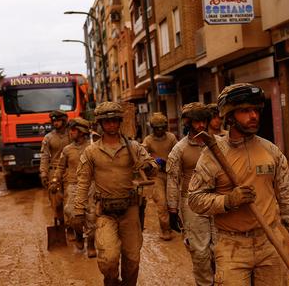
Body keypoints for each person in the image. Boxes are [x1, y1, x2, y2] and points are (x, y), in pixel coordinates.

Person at [188, 83, 289, 285]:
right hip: (231, 247)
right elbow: (194, 200)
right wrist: (228, 200)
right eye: (245, 111)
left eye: (256, 110)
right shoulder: (212, 155)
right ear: (229, 117)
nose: (253, 116)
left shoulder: (271, 152)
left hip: (270, 242)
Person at [73, 102, 157, 286]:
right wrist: (78, 210)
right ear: (100, 124)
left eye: (115, 121)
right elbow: (83, 182)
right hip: (104, 212)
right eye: (107, 122)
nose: (111, 125)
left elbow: (152, 167)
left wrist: (148, 167)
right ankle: (111, 282)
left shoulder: (133, 147)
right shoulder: (91, 151)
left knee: (133, 257)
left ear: (120, 122)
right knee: (108, 259)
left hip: (130, 210)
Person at [167, 102, 214, 286]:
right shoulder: (179, 149)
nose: (201, 125)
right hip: (191, 204)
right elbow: (172, 180)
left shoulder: (217, 143)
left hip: (219, 201)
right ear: (188, 123)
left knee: (220, 249)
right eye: (196, 122)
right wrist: (172, 210)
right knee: (200, 251)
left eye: (203, 120)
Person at [49, 117, 96, 256]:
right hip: (73, 185)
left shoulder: (93, 148)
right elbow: (60, 167)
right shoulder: (67, 150)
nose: (71, 132)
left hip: (90, 185)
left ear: (81, 132)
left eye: (74, 130)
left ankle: (92, 244)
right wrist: (55, 181)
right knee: (71, 213)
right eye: (70, 130)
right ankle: (79, 235)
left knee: (91, 216)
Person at [142, 112, 178, 241]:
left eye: (162, 127)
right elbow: (142, 155)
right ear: (153, 128)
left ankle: (177, 226)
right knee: (162, 203)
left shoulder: (171, 138)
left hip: (171, 173)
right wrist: (151, 161)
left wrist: (168, 162)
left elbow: (178, 153)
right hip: (156, 176)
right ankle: (165, 229)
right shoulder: (148, 140)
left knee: (174, 201)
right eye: (157, 128)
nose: (160, 130)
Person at [39, 110, 70, 188]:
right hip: (54, 172)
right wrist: (43, 173)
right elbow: (44, 156)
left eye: (58, 121)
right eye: (54, 121)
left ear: (64, 121)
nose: (56, 123)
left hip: (70, 172)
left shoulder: (72, 135)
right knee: (55, 197)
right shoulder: (48, 137)